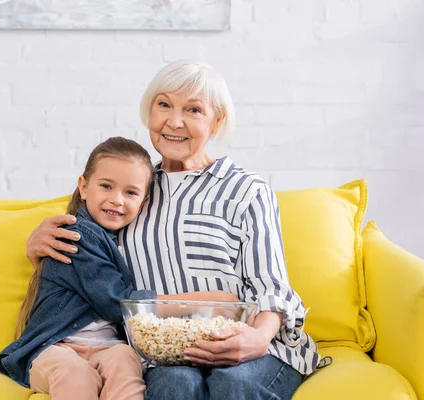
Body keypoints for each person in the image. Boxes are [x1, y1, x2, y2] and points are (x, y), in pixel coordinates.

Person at [26, 60, 327, 400]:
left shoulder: (247, 191)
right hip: (167, 353)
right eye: (164, 104)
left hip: (250, 343)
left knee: (233, 383)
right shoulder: (132, 192)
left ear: (217, 121)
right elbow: (90, 251)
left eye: (194, 110)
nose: (174, 121)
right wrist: (35, 244)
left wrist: (256, 340)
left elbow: (271, 286)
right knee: (174, 385)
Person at [0, 137, 158, 400]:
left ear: (144, 200)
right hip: (54, 347)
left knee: (125, 358)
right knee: (74, 373)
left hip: (106, 347)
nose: (117, 200)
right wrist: (192, 302)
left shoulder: (126, 239)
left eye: (130, 192)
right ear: (83, 187)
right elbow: (116, 303)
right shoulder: (77, 235)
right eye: (106, 186)